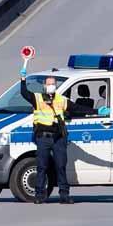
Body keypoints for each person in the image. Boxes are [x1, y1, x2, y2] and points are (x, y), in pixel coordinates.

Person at [20, 72, 75, 204]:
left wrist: (97, 111)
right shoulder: (37, 98)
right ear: (44, 86)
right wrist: (22, 80)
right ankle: (39, 195)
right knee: (42, 167)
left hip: (58, 138)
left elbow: (76, 108)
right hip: (43, 138)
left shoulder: (61, 99)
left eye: (53, 84)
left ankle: (64, 195)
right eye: (49, 84)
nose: (51, 86)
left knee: (61, 166)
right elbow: (24, 93)